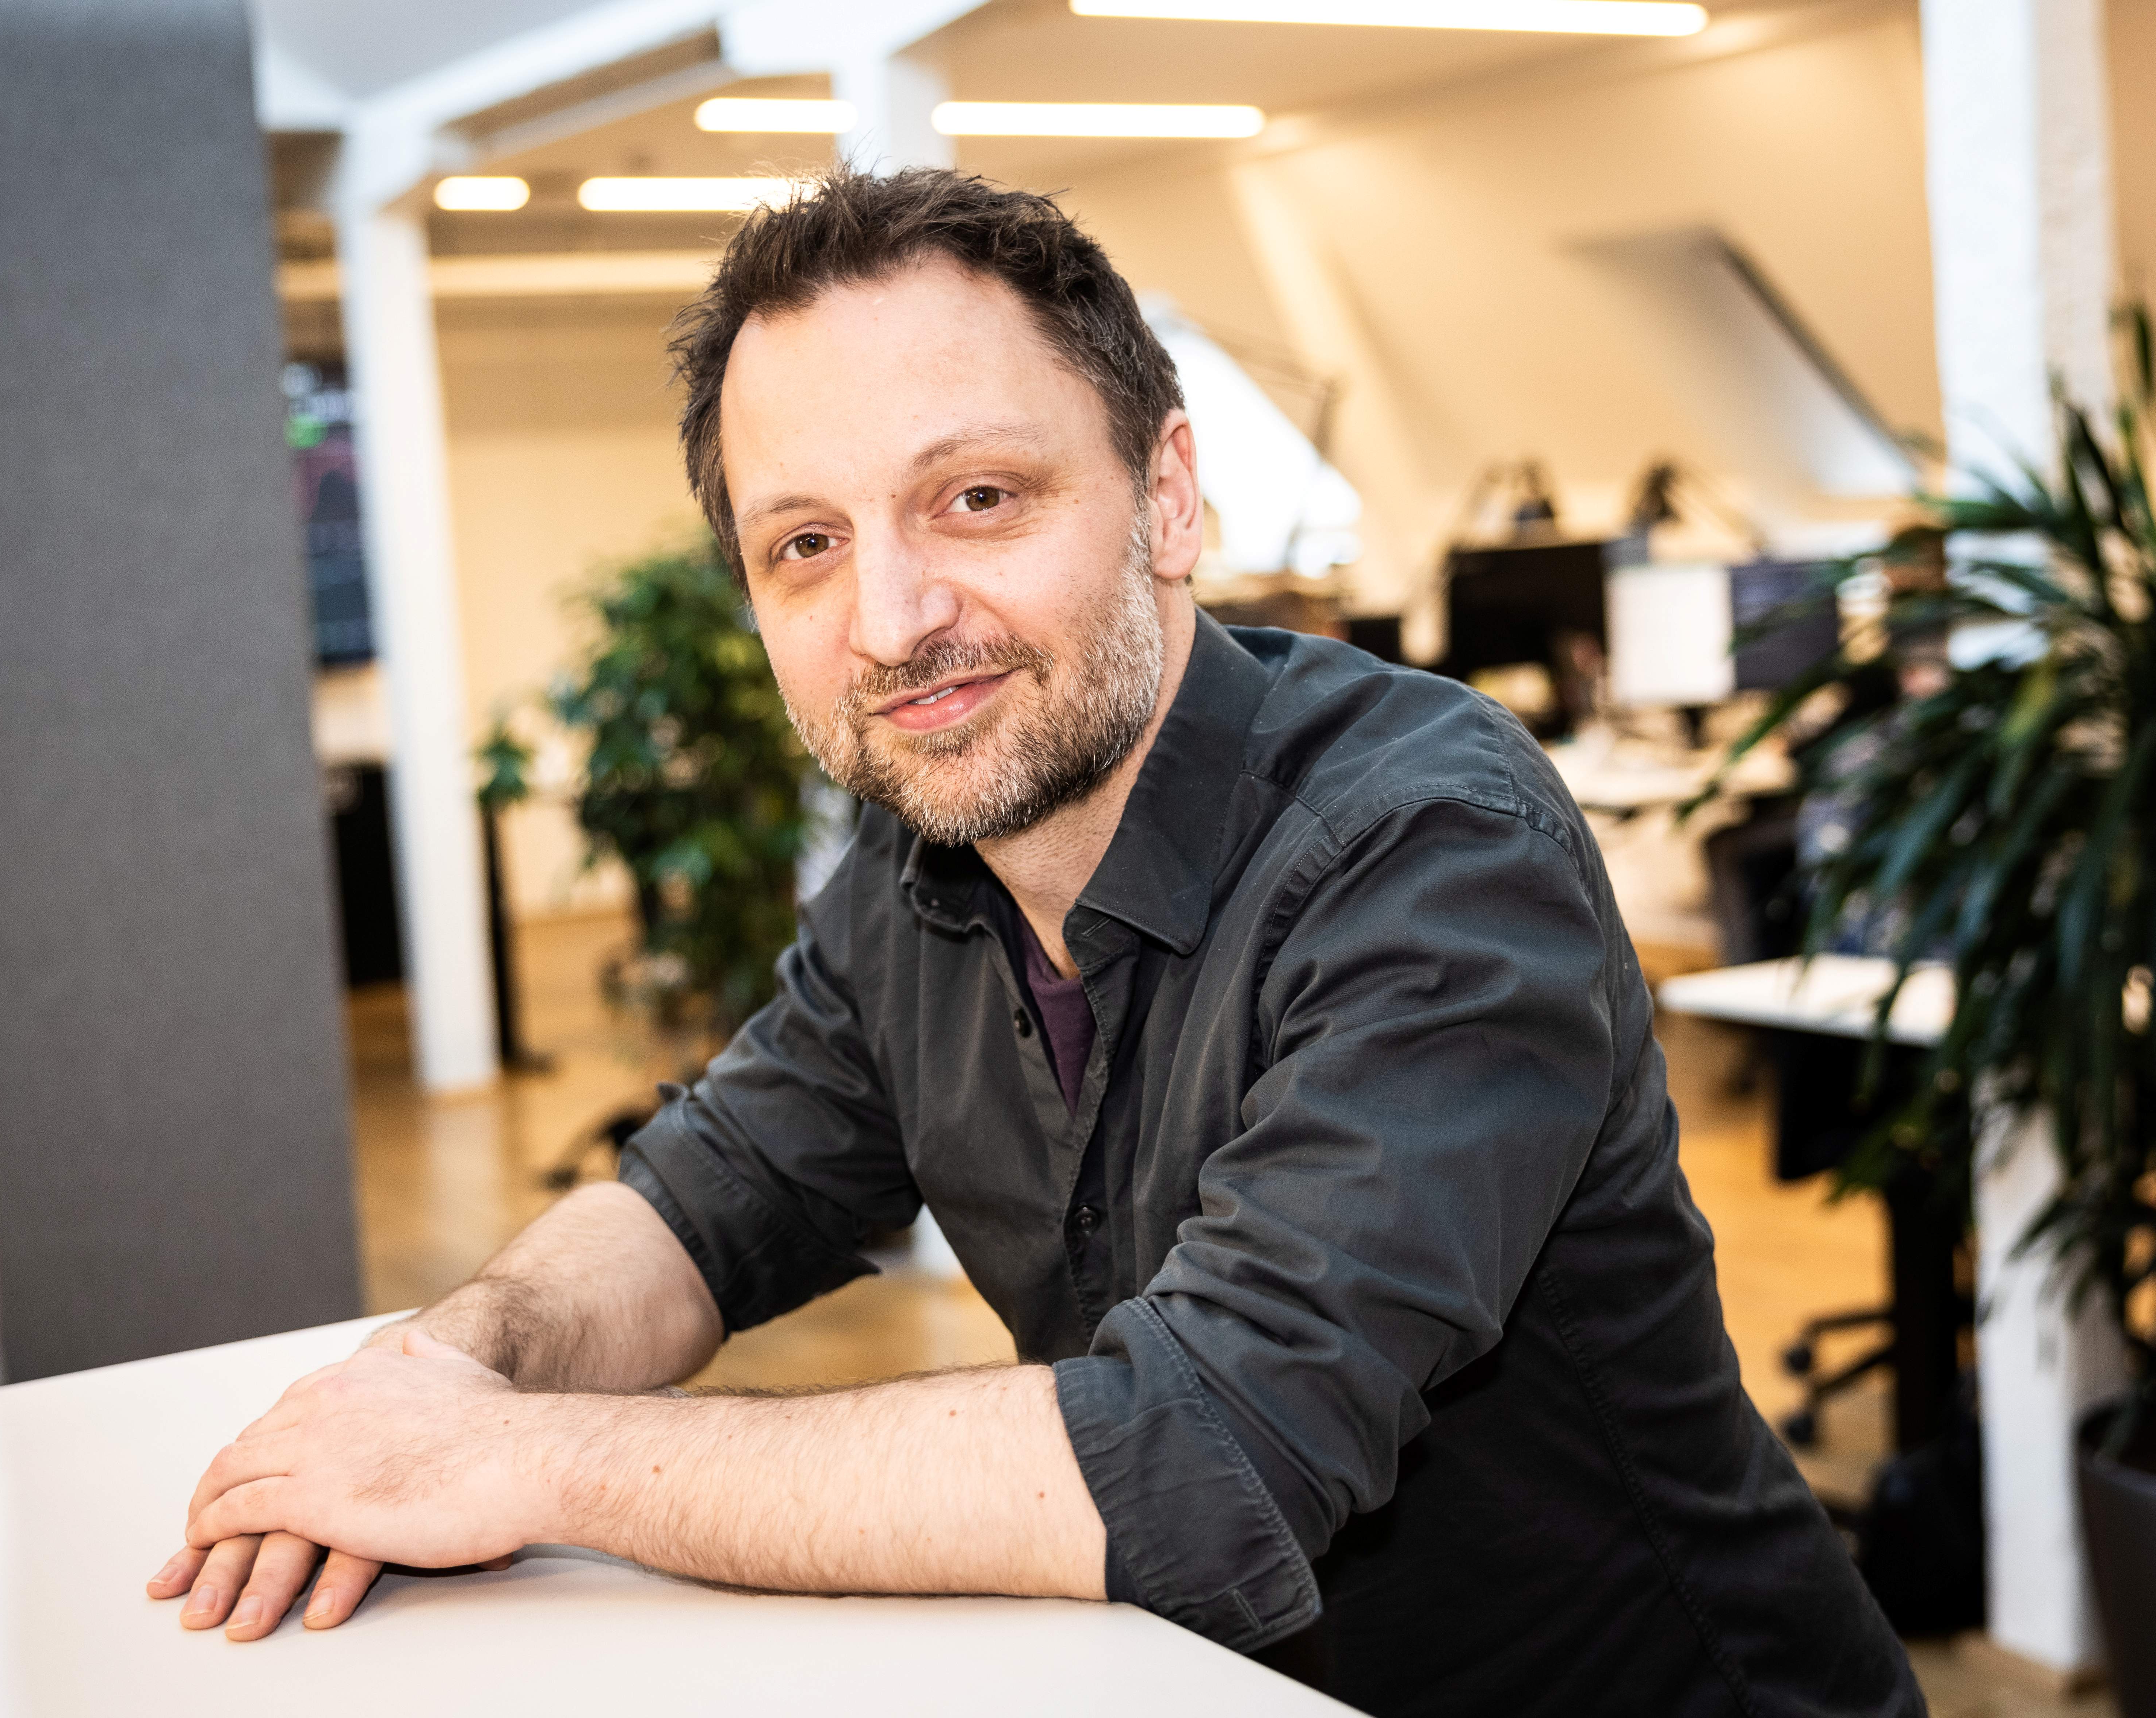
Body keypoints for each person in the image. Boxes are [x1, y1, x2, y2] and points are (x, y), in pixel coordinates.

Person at [149, 168, 1919, 1717]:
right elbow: (703, 1205)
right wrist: (445, 1368)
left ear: (1167, 501)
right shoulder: (926, 858)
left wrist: (517, 1460)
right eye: (807, 546)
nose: (896, 620)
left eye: (978, 499)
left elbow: (1198, 1456)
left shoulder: (1429, 846)